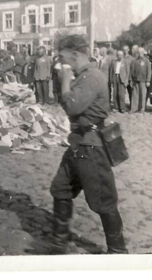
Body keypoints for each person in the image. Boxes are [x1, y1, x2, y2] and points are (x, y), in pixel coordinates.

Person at [49, 34, 128, 255]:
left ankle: (118, 251)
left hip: (91, 147)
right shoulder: (83, 76)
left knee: (103, 200)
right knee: (60, 188)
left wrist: (65, 80)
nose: (61, 63)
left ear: (75, 55)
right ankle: (59, 242)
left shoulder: (92, 76)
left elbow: (72, 106)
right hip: (78, 145)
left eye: (63, 58)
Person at [130, 47, 152, 113]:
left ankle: (142, 109)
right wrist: (131, 80)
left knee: (142, 95)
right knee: (135, 95)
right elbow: (132, 71)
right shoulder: (134, 61)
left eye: (141, 52)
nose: (140, 54)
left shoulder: (146, 61)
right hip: (135, 80)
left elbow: (149, 71)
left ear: (143, 53)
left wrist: (148, 80)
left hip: (143, 80)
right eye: (139, 52)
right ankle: (134, 108)